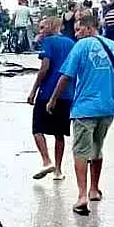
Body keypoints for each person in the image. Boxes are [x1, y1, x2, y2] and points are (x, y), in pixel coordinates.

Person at [47, 13, 114, 216]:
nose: (76, 34)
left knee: (81, 150)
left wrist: (53, 100)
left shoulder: (81, 47)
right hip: (107, 108)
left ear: (89, 28)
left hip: (84, 108)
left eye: (79, 29)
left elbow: (66, 77)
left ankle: (81, 196)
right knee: (97, 148)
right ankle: (94, 189)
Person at [27, 17, 76, 182]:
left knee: (37, 128)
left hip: (47, 92)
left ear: (50, 27)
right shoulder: (71, 42)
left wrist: (33, 90)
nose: (40, 31)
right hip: (67, 93)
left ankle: (47, 160)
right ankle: (58, 170)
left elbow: (44, 68)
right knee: (59, 133)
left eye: (42, 28)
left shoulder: (48, 42)